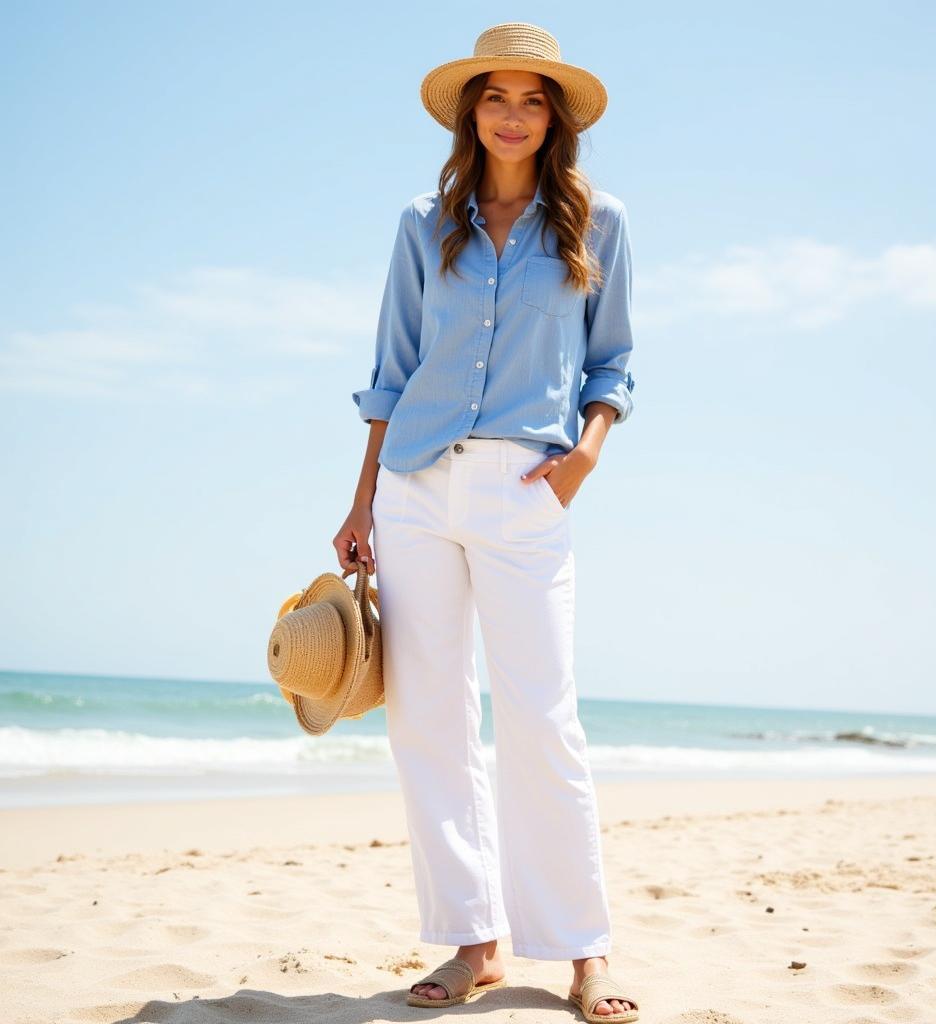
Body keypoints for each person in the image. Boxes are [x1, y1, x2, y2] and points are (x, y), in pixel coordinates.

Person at [335, 22, 639, 1023]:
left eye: (532, 99)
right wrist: (359, 501)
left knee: (540, 713)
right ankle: (476, 939)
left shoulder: (597, 226)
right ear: (471, 112)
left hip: (526, 487)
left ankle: (584, 947)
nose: (513, 115)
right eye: (496, 97)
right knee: (427, 718)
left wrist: (584, 455)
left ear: (554, 117)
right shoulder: (424, 224)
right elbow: (391, 368)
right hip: (414, 487)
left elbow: (612, 363)